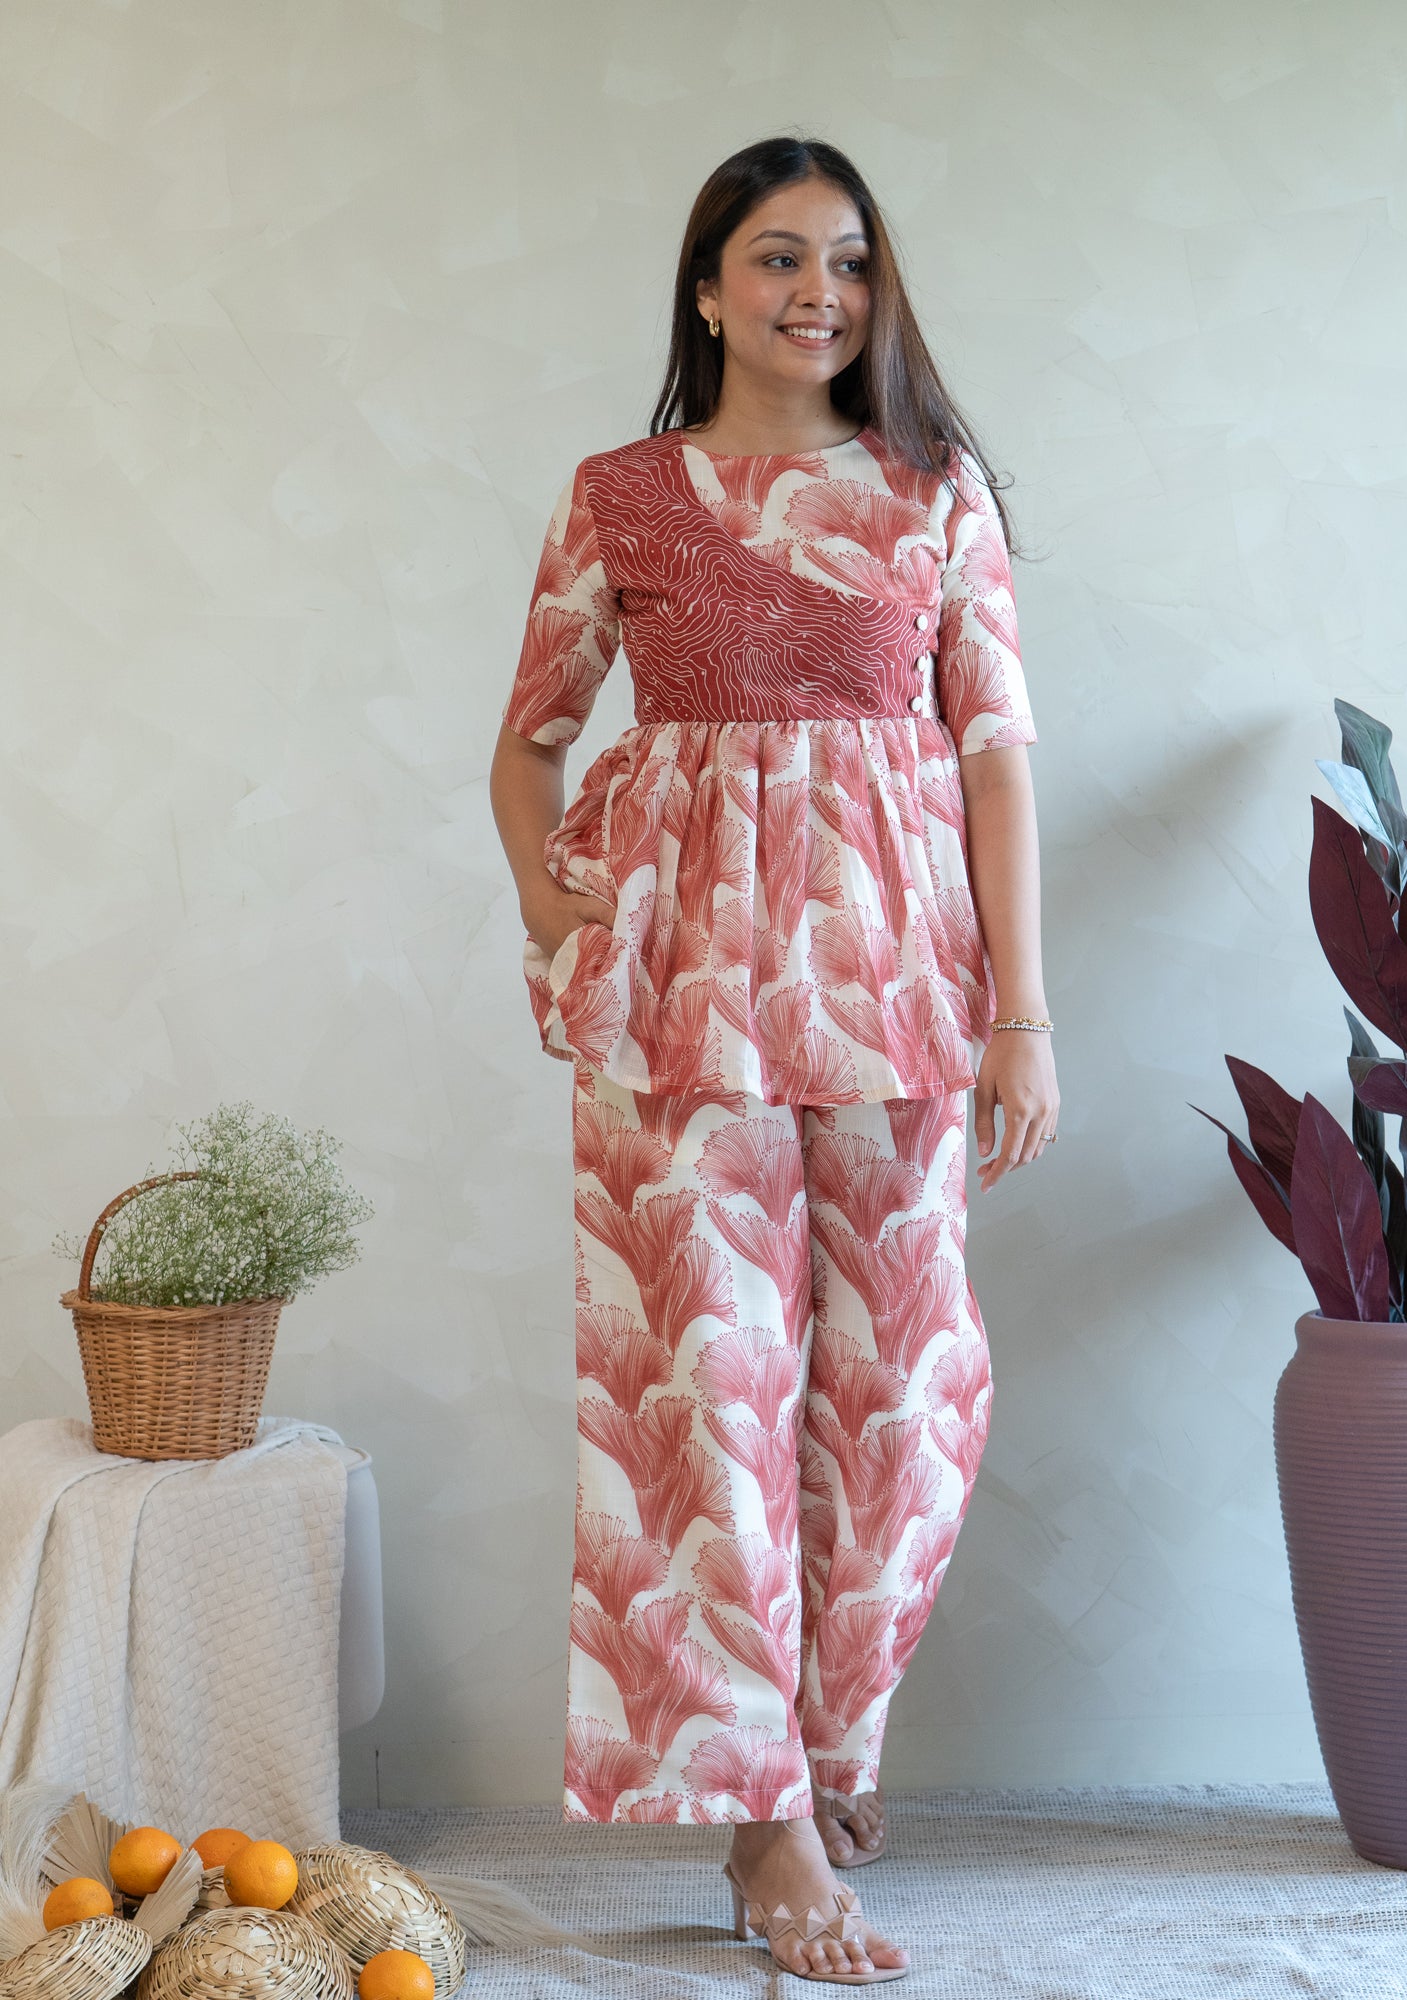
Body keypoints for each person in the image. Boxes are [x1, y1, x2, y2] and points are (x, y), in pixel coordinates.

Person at [490, 133, 1059, 1987]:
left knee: (909, 1394)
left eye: (851, 260)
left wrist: (1025, 1016)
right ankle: (765, 1820)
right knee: (704, 1396)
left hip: (899, 985)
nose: (822, 292)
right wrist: (557, 912)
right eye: (780, 258)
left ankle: (822, 1735)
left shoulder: (935, 492)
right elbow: (530, 741)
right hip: (677, 995)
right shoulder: (621, 494)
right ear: (711, 288)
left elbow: (995, 758)